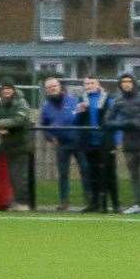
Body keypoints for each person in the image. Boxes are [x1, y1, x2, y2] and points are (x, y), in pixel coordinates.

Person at [107, 73, 140, 215]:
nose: (126, 84)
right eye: (123, 81)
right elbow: (108, 121)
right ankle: (138, 203)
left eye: (129, 81)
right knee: (134, 175)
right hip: (128, 143)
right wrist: (123, 124)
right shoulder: (118, 101)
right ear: (120, 84)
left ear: (134, 83)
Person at [73, 77, 118, 212]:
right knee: (92, 173)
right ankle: (94, 203)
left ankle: (114, 204)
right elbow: (75, 122)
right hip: (88, 142)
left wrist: (116, 141)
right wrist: (78, 112)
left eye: (92, 83)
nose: (89, 86)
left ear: (98, 84)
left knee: (108, 173)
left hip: (105, 142)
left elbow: (115, 120)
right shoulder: (82, 100)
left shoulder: (108, 98)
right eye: (86, 83)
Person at [38, 78, 83, 210]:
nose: (52, 88)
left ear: (59, 86)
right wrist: (50, 137)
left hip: (78, 142)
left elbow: (82, 119)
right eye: (49, 87)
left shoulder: (73, 100)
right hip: (61, 144)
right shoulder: (46, 106)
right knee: (63, 174)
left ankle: (91, 201)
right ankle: (64, 202)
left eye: (54, 86)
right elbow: (43, 125)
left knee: (85, 170)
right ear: (46, 90)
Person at [0, 81, 33, 210]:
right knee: (11, 177)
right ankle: (15, 202)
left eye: (9, 89)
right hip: (6, 145)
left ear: (13, 89)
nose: (6, 91)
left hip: (21, 145)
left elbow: (20, 120)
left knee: (20, 177)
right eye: (4, 89)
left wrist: (0, 124)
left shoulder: (21, 102)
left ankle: (23, 204)